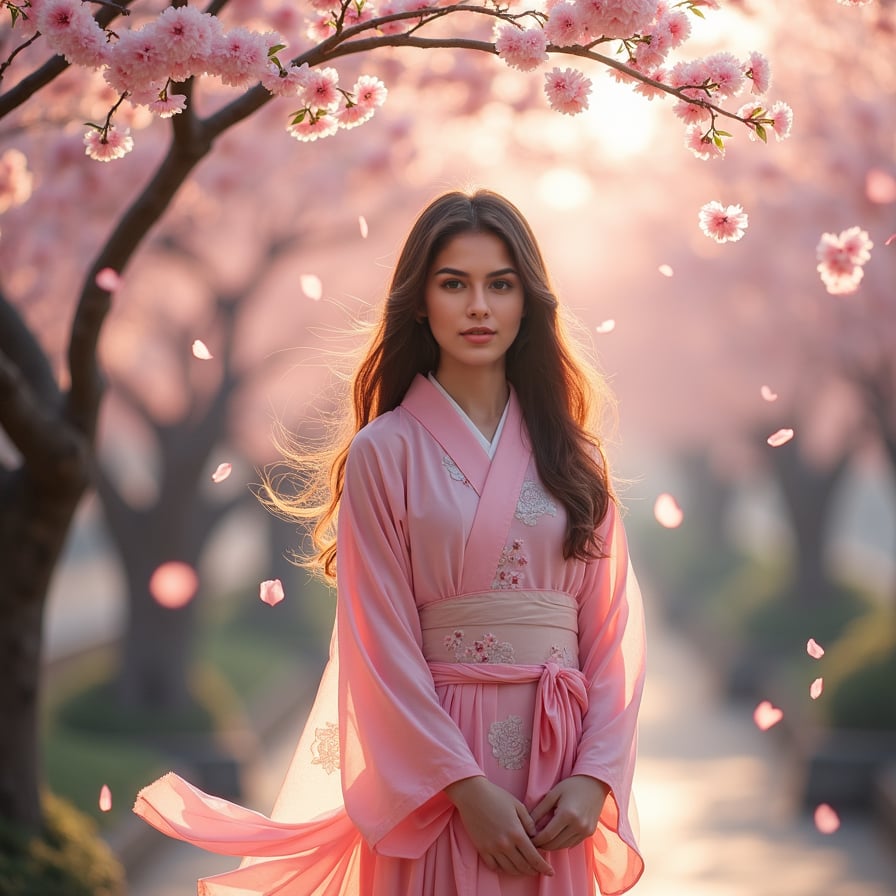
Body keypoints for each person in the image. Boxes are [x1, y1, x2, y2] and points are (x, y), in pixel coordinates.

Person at [134, 189, 646, 895]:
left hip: (556, 775)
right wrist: (462, 786)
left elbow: (612, 632)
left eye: (501, 284)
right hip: (436, 772)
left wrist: (594, 777)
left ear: (528, 301)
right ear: (419, 302)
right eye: (454, 284)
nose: (479, 307)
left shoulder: (576, 456)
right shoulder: (385, 452)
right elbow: (380, 639)